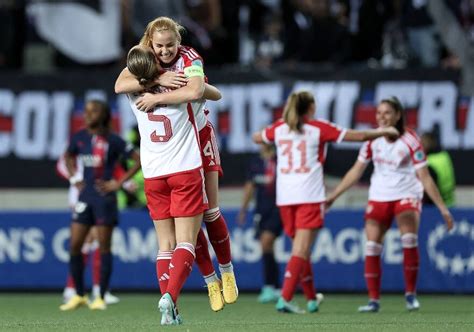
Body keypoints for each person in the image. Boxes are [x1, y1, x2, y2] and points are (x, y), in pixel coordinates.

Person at [115, 16, 238, 313]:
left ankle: (227, 271)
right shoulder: (144, 57)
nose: (166, 51)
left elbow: (198, 91)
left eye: (171, 45)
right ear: (150, 43)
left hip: (199, 137)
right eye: (160, 46)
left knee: (210, 211)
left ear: (179, 42)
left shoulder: (190, 57)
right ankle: (210, 280)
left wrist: (159, 95)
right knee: (190, 221)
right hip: (177, 152)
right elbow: (120, 83)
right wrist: (158, 79)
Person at [253, 90, 400, 314]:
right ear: (310, 108)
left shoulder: (280, 128)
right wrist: (383, 131)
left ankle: (312, 298)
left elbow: (257, 137)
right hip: (309, 196)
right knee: (301, 249)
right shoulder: (318, 128)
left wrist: (277, 130)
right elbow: (358, 137)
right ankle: (285, 298)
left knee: (300, 251)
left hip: (285, 198)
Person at [327, 96, 454, 313]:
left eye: (386, 113)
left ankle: (411, 296)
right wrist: (333, 195)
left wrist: (442, 208)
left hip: (406, 194)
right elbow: (356, 171)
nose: (382, 117)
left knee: (408, 240)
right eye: (378, 113)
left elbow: (424, 176)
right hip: (379, 195)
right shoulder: (372, 140)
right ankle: (373, 300)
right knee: (372, 246)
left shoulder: (411, 140)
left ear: (397, 115)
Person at [59, 100, 141, 311]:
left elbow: (138, 159)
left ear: (103, 114)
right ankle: (78, 294)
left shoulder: (113, 140)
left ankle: (101, 296)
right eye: (86, 111)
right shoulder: (79, 137)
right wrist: (74, 177)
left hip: (105, 199)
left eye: (93, 111)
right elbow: (68, 156)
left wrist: (118, 183)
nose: (88, 115)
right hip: (84, 197)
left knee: (104, 248)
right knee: (75, 245)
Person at [237, 144, 282, 303]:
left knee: (266, 242)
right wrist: (243, 209)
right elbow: (250, 186)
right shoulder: (255, 162)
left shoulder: (281, 159)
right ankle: (275, 287)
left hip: (278, 209)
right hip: (261, 210)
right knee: (267, 248)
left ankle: (270, 286)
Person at [420, 131, 456, 207]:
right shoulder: (444, 156)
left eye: (421, 143)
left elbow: (430, 194)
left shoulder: (428, 164)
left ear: (425, 145)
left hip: (437, 209)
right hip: (450, 204)